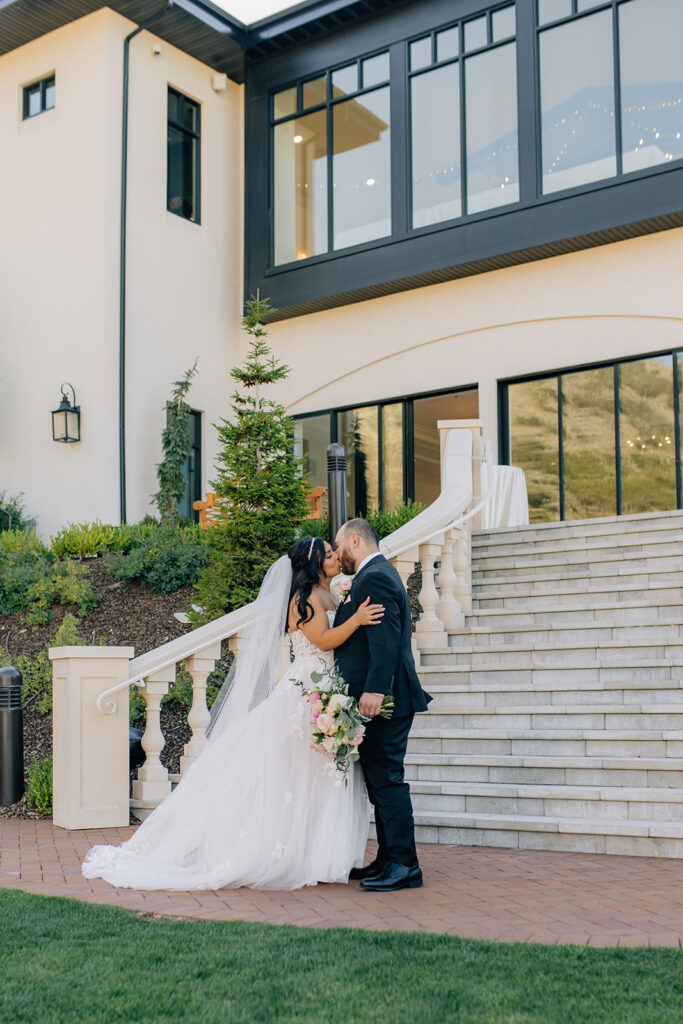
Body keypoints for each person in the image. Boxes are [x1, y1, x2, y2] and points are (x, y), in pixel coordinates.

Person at [81, 538, 383, 891]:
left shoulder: (331, 592)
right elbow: (324, 641)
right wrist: (358, 620)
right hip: (305, 692)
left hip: (325, 685)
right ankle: (279, 853)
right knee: (296, 772)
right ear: (314, 564)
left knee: (316, 774)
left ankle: (315, 855)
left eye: (335, 553)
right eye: (329, 555)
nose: (335, 558)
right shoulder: (303, 601)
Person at [334, 518, 432, 892]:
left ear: (354, 540)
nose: (337, 553)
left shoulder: (374, 576)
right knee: (379, 783)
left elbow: (386, 639)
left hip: (385, 698)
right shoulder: (375, 573)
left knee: (388, 781)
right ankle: (389, 857)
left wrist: (375, 690)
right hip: (380, 697)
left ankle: (406, 865)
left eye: (339, 545)